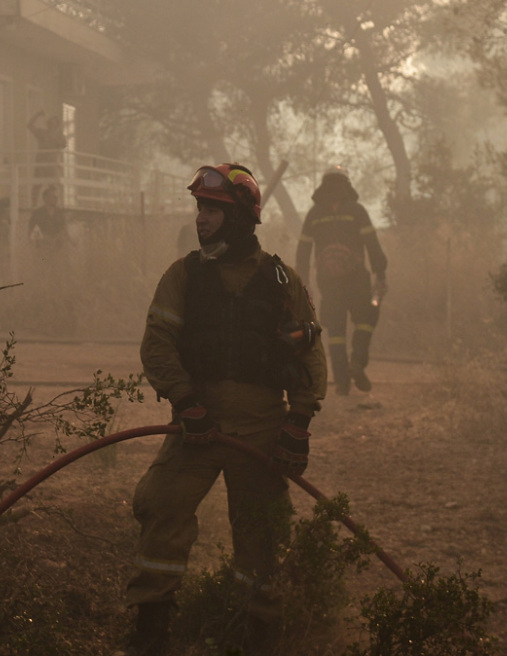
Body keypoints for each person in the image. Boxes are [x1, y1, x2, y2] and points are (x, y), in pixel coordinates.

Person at [117, 163, 328, 656]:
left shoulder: (281, 280)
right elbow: (157, 344)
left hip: (261, 429)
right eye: (200, 208)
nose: (201, 219)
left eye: (212, 210)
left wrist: (299, 422)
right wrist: (186, 402)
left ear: (239, 218)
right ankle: (151, 632)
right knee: (161, 506)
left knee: (263, 531)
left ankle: (258, 634)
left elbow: (310, 354)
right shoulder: (184, 276)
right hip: (199, 425)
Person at [295, 166, 387, 396]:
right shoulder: (357, 211)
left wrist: (303, 280)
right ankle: (357, 361)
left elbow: (303, 250)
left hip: (328, 281)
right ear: (347, 184)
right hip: (357, 279)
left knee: (335, 330)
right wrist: (380, 272)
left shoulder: (314, 214)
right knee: (366, 318)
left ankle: (342, 382)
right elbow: (372, 243)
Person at [27, 110, 67, 206]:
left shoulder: (59, 135)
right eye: (50, 121)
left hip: (51, 163)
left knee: (53, 185)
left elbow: (63, 144)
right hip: (40, 162)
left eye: (54, 122)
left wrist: (57, 142)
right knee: (37, 185)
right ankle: (33, 206)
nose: (51, 123)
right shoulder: (42, 133)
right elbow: (29, 125)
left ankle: (55, 205)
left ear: (57, 124)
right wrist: (37, 114)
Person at [28, 185, 69, 256]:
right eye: (53, 197)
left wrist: (61, 239)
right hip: (42, 249)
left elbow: (64, 229)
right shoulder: (37, 213)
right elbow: (32, 230)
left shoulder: (60, 213)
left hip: (57, 249)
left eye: (57, 197)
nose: (56, 199)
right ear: (46, 198)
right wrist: (45, 241)